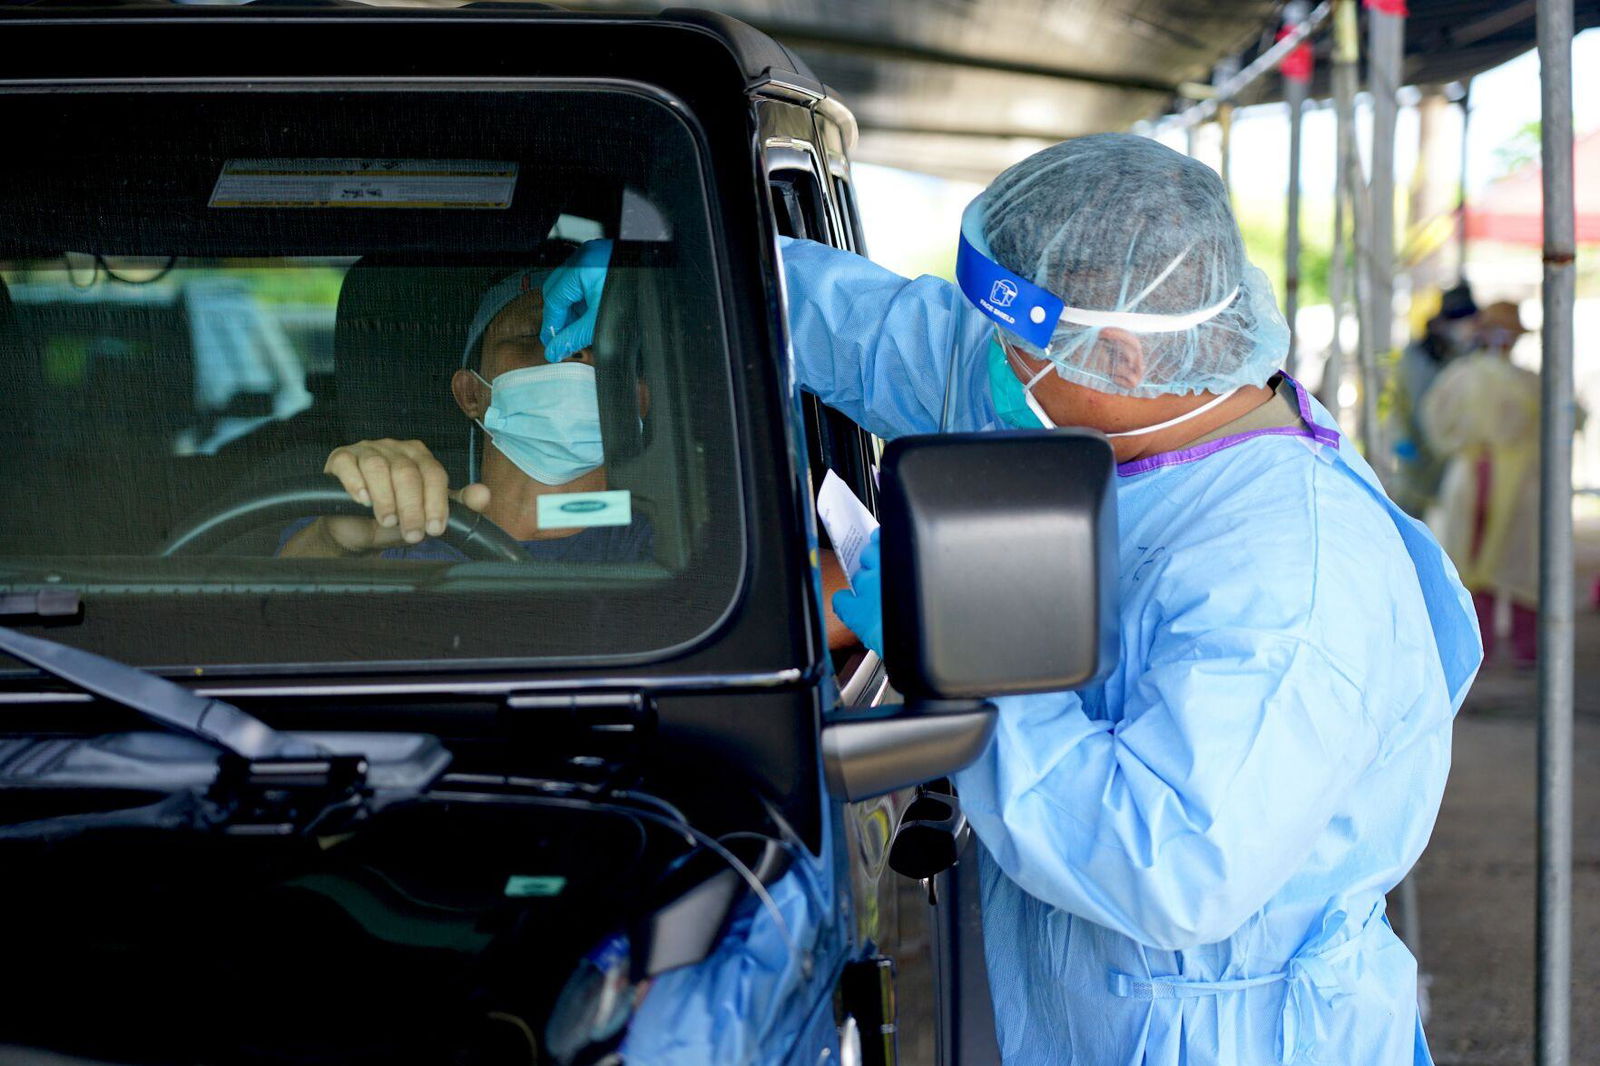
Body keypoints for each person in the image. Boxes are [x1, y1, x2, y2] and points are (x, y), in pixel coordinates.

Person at [544, 133, 1482, 1065]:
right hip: (1092, 1015)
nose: (990, 362)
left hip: (1232, 1037)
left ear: (1118, 360)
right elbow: (873, 335)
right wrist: (679, 268)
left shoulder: (1291, 580)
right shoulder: (1126, 406)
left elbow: (1168, 865)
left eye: (1017, 344)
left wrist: (955, 643)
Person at [281, 265, 652, 562]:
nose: (575, 352)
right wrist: (334, 544)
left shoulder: (670, 536)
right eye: (535, 334)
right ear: (471, 392)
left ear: (641, 397)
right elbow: (269, 621)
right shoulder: (378, 520)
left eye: (599, 338)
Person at [1421, 300, 1554, 666]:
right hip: (1516, 482)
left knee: (1479, 565)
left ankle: (1477, 651)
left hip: (1473, 474)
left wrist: (1459, 448)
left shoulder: (1462, 375)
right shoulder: (1531, 382)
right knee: (1519, 565)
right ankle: (1525, 650)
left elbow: (1435, 421)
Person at [1387, 283, 1478, 517]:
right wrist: (1402, 438)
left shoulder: (1469, 356)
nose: (1464, 329)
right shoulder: (1416, 355)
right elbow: (1405, 404)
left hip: (1451, 461)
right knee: (1413, 521)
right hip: (1416, 457)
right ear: (1441, 322)